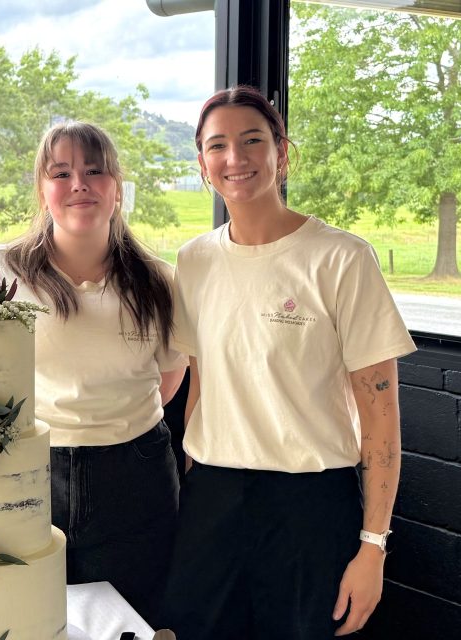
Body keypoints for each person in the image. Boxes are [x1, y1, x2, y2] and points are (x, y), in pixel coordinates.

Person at [159, 85, 416, 639]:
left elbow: (381, 417)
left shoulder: (342, 258)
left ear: (282, 153)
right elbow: (201, 382)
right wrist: (193, 479)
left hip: (311, 504)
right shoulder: (194, 260)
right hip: (212, 500)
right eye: (217, 145)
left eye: (252, 140)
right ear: (202, 165)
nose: (236, 157)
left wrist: (373, 546)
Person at [0, 121, 187, 626]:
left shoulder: (159, 281)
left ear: (117, 187)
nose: (79, 185)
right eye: (61, 173)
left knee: (130, 620)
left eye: (94, 171)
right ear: (41, 189)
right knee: (27, 620)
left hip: (135, 474)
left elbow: (168, 380)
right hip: (28, 469)